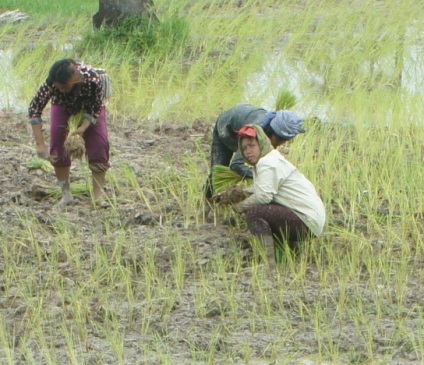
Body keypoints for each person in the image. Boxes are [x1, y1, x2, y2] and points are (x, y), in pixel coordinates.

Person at [233, 124, 325, 267]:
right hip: (310, 220)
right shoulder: (270, 159)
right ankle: (292, 256)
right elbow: (262, 189)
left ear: (261, 143)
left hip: (306, 221)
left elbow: (263, 196)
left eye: (251, 146)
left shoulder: (268, 163)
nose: (248, 152)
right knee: (271, 210)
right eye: (244, 148)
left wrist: (239, 207)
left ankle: (269, 263)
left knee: (255, 213)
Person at [28, 58, 112, 208]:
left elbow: (95, 108)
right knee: (57, 146)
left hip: (89, 106)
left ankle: (98, 197)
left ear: (75, 79)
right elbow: (35, 108)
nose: (60, 89)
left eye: (64, 86)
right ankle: (66, 195)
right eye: (57, 87)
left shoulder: (93, 80)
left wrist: (82, 129)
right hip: (63, 104)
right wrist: (40, 144)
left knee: (100, 144)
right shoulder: (52, 84)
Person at [205, 104, 305, 199]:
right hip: (227, 124)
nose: (281, 144)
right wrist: (259, 175)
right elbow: (236, 165)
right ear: (272, 133)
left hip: (244, 115)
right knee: (219, 170)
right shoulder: (253, 132)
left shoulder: (270, 132)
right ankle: (207, 199)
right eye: (280, 140)